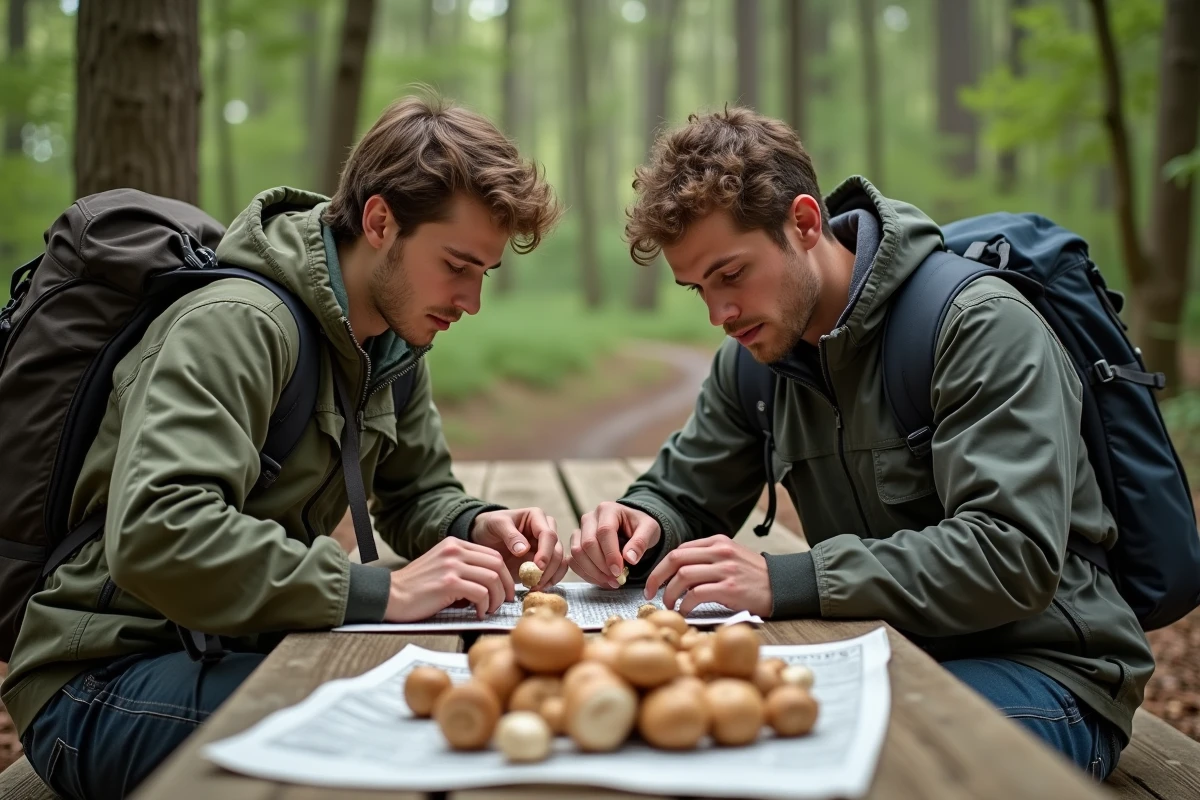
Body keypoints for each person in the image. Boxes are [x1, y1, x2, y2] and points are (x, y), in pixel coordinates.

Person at [2, 94, 566, 799]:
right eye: (457, 265)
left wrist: (476, 525)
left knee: (475, 701)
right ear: (381, 221)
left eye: (484, 272)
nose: (471, 301)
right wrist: (378, 589)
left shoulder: (392, 342)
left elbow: (419, 493)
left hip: (242, 644)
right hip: (102, 679)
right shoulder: (237, 325)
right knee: (425, 735)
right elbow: (157, 532)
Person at [567, 107, 1152, 780]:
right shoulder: (754, 361)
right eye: (698, 287)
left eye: (731, 274)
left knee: (805, 754)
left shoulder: (977, 327)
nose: (718, 314)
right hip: (875, 651)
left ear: (805, 223)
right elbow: (683, 494)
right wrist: (640, 523)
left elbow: (1009, 553)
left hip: (1047, 673)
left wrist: (789, 578)